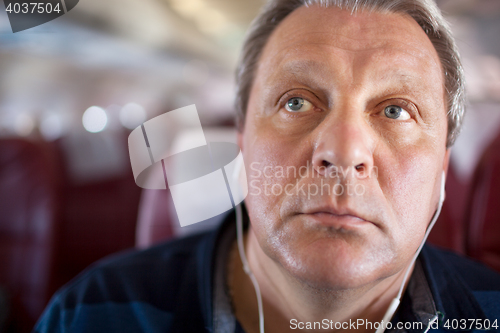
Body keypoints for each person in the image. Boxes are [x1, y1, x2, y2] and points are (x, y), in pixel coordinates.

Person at [34, 0, 500, 332]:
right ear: (243, 143)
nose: (343, 151)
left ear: (442, 168)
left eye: (396, 110)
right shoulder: (92, 312)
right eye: (297, 102)